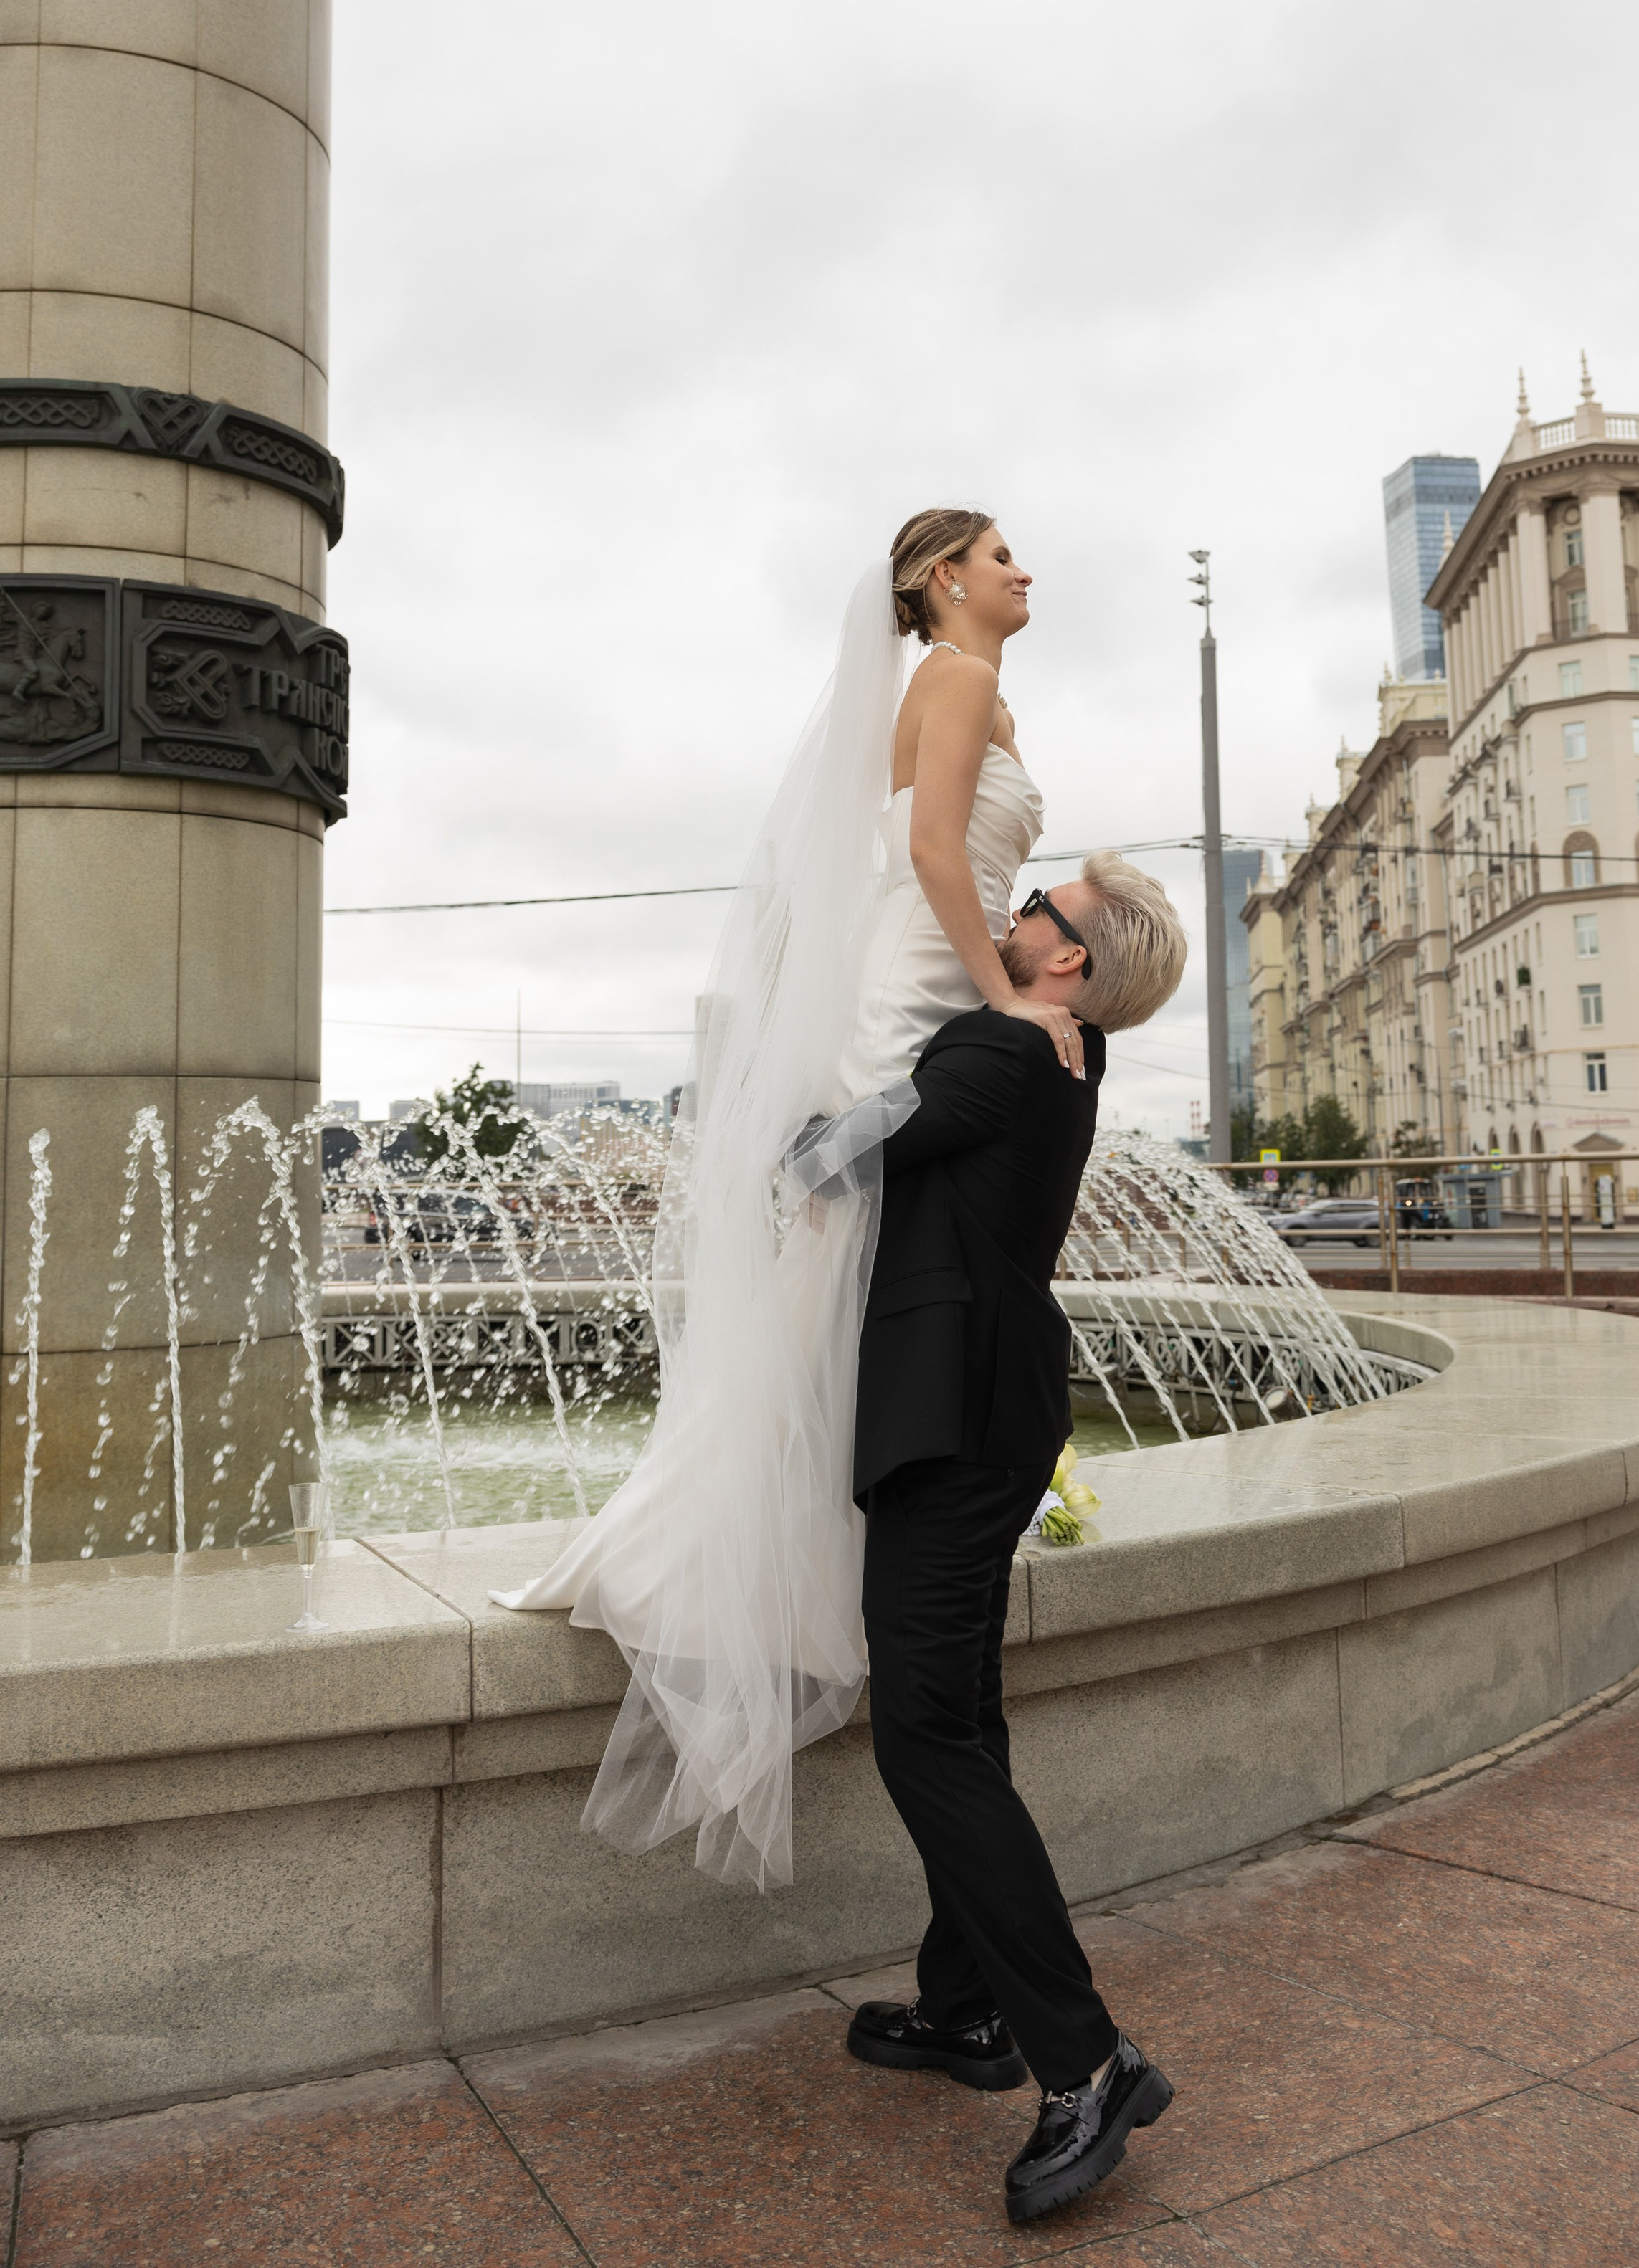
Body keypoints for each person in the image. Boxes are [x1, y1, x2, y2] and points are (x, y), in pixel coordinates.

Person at [493, 509, 1078, 1890]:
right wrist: (1002, 993)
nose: (1024, 571)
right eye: (1003, 556)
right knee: (856, 1246)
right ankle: (756, 1546)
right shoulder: (959, 678)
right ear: (944, 581)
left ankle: (808, 1535)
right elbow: (939, 853)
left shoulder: (952, 686)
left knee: (859, 1260)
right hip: (929, 974)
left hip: (931, 964)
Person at [818, 852, 1189, 2226]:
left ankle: (1084, 2059)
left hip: (953, 1422)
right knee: (962, 1709)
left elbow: (839, 1155)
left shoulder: (1005, 1045)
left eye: (1037, 904)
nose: (1014, 910)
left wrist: (762, 1100)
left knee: (924, 1734)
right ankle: (965, 2009)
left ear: (1067, 959)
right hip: (994, 1407)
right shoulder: (1064, 1054)